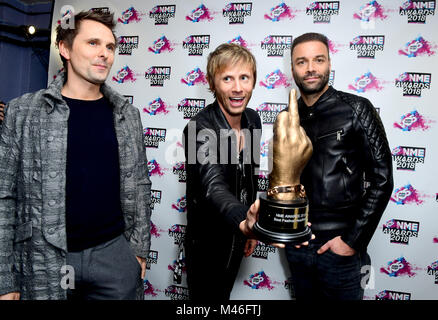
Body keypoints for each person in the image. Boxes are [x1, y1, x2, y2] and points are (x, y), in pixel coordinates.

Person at [0, 10, 151, 300]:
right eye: (93, 43)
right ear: (65, 48)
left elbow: (140, 185)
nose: (104, 54)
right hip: (43, 260)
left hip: (113, 258)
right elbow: (5, 196)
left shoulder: (126, 115)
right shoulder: (23, 111)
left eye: (110, 46)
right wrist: (6, 279)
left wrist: (138, 252)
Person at [284, 32, 393, 300]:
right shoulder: (287, 118)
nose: (310, 68)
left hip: (340, 249)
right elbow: (284, 181)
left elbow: (382, 179)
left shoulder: (357, 108)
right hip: (299, 246)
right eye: (302, 62)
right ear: (292, 68)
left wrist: (351, 241)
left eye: (318, 60)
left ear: (329, 63)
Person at [183, 43, 261, 301]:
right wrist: (243, 220)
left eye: (244, 78)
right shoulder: (200, 128)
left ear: (253, 81)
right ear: (212, 83)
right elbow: (212, 186)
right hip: (207, 247)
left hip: (238, 237)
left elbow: (249, 175)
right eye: (227, 78)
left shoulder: (252, 120)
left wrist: (250, 229)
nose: (237, 88)